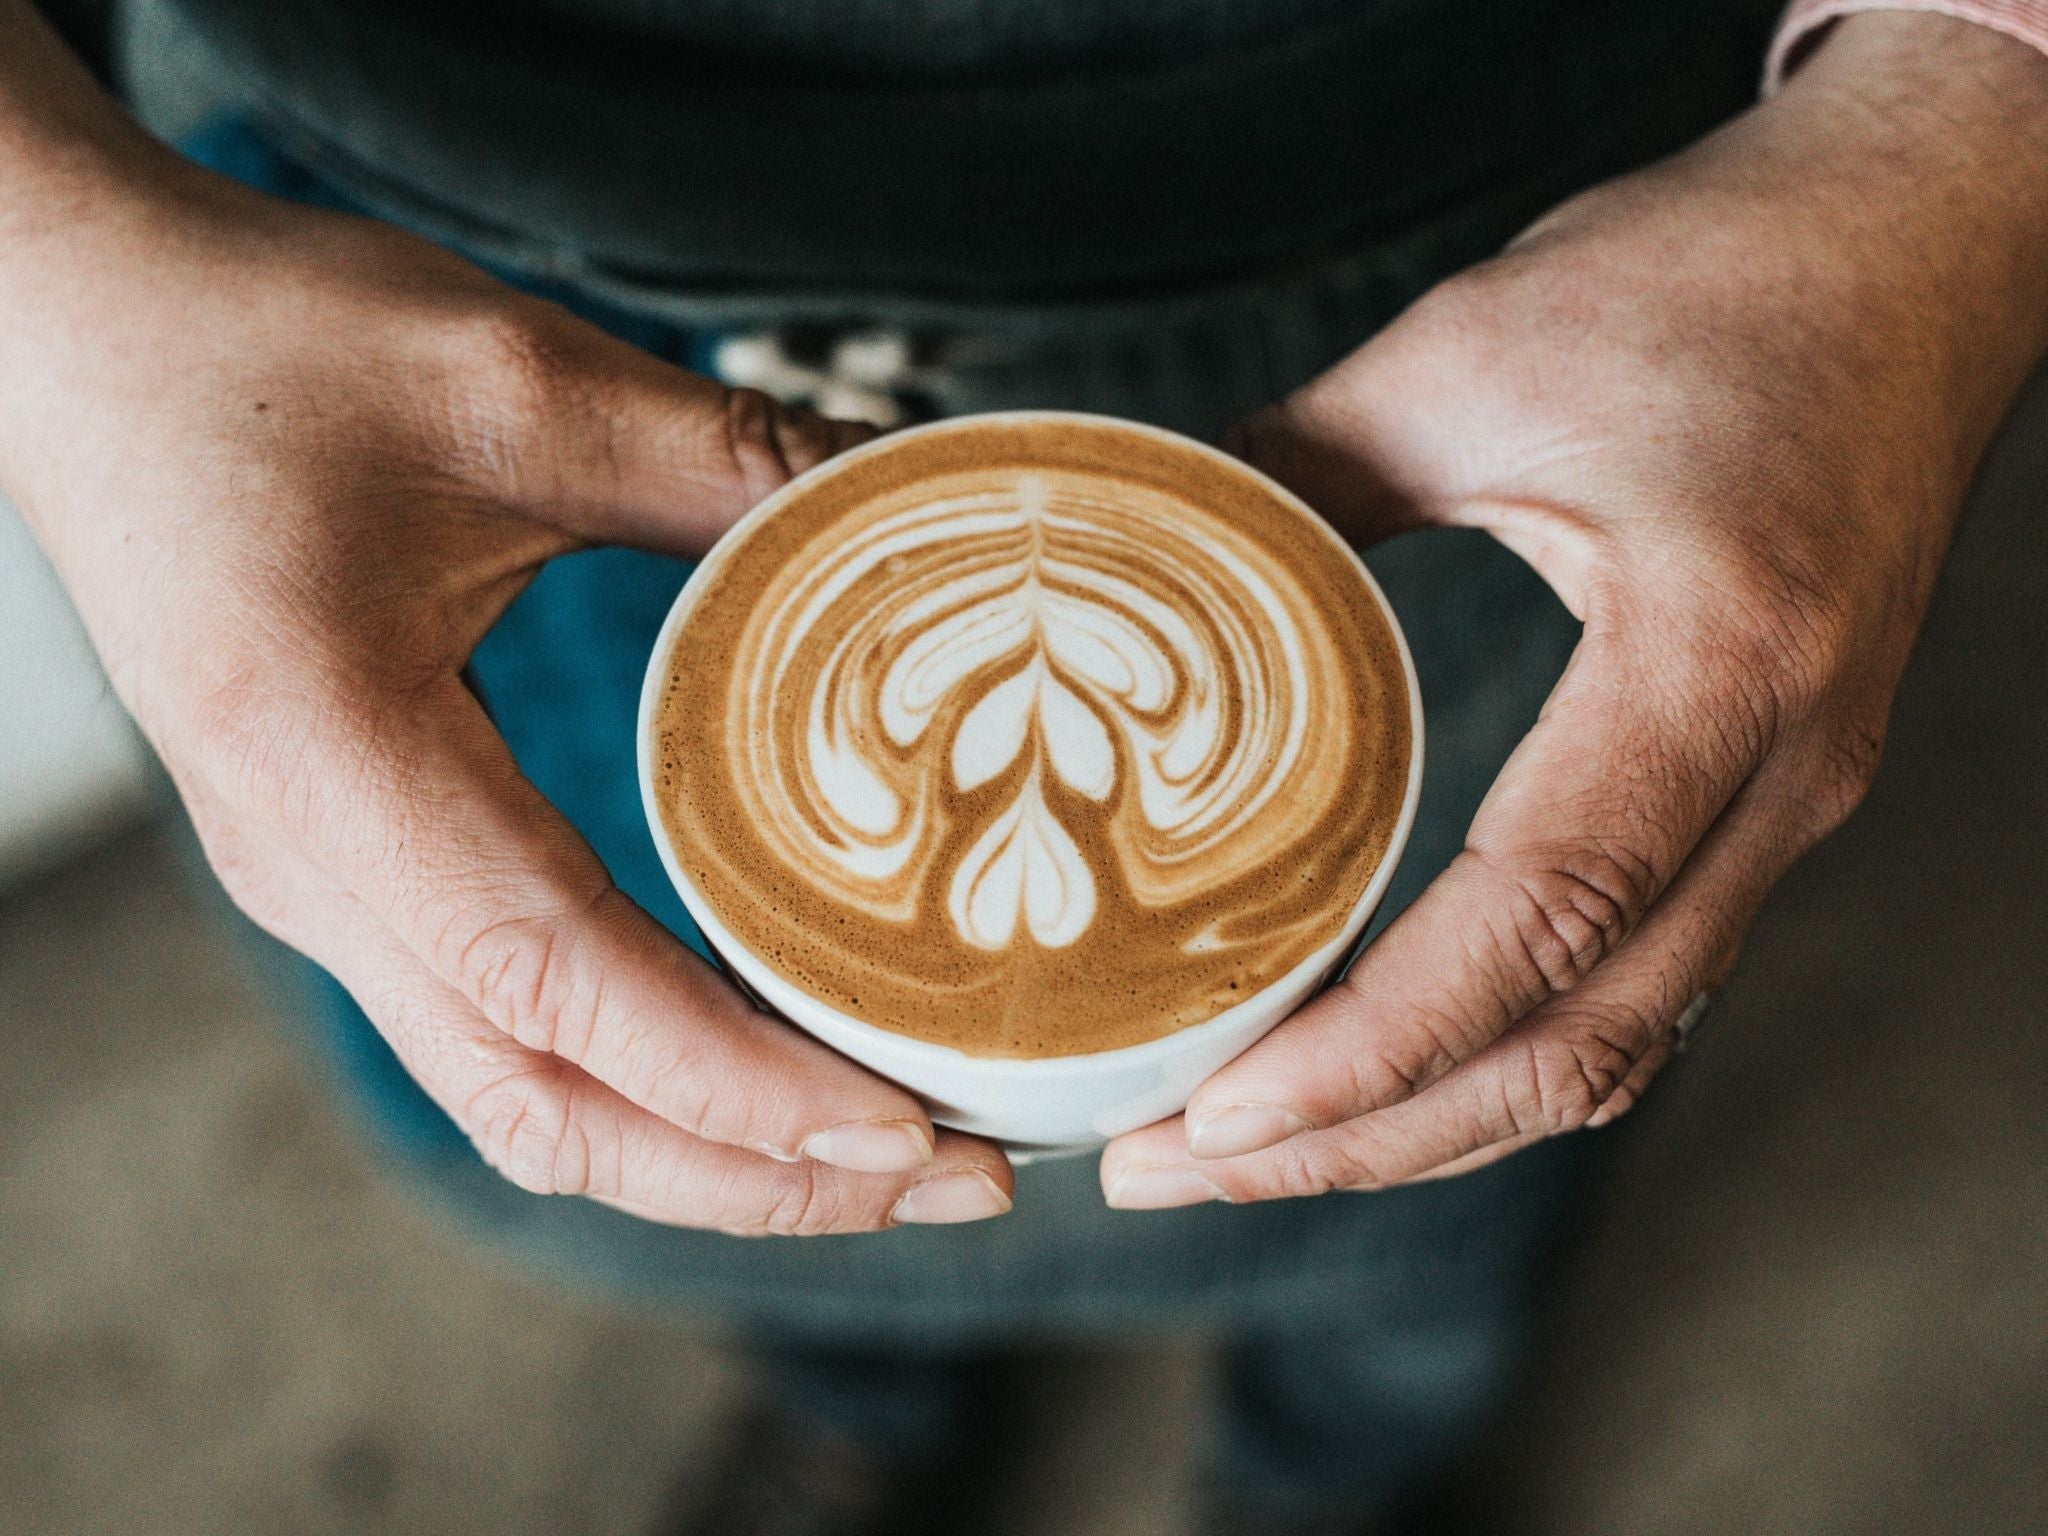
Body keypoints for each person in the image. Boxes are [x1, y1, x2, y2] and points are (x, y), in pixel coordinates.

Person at [7, 1, 2047, 1530]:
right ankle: (871, 1389)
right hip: (388, 279)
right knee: (723, 1099)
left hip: (1499, 241)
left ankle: (1351, 1465)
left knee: (1486, 1070)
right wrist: (43, 261)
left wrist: (1966, 111)